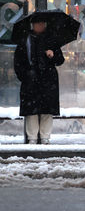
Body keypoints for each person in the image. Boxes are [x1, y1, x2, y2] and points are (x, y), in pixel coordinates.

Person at [13, 15, 64, 144]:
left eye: (42, 23)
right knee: (31, 111)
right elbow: (18, 61)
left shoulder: (52, 39)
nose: (40, 26)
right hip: (31, 79)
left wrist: (52, 55)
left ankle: (45, 136)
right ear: (32, 25)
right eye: (37, 23)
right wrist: (25, 75)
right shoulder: (25, 40)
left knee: (47, 110)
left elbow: (60, 60)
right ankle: (32, 138)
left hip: (48, 79)